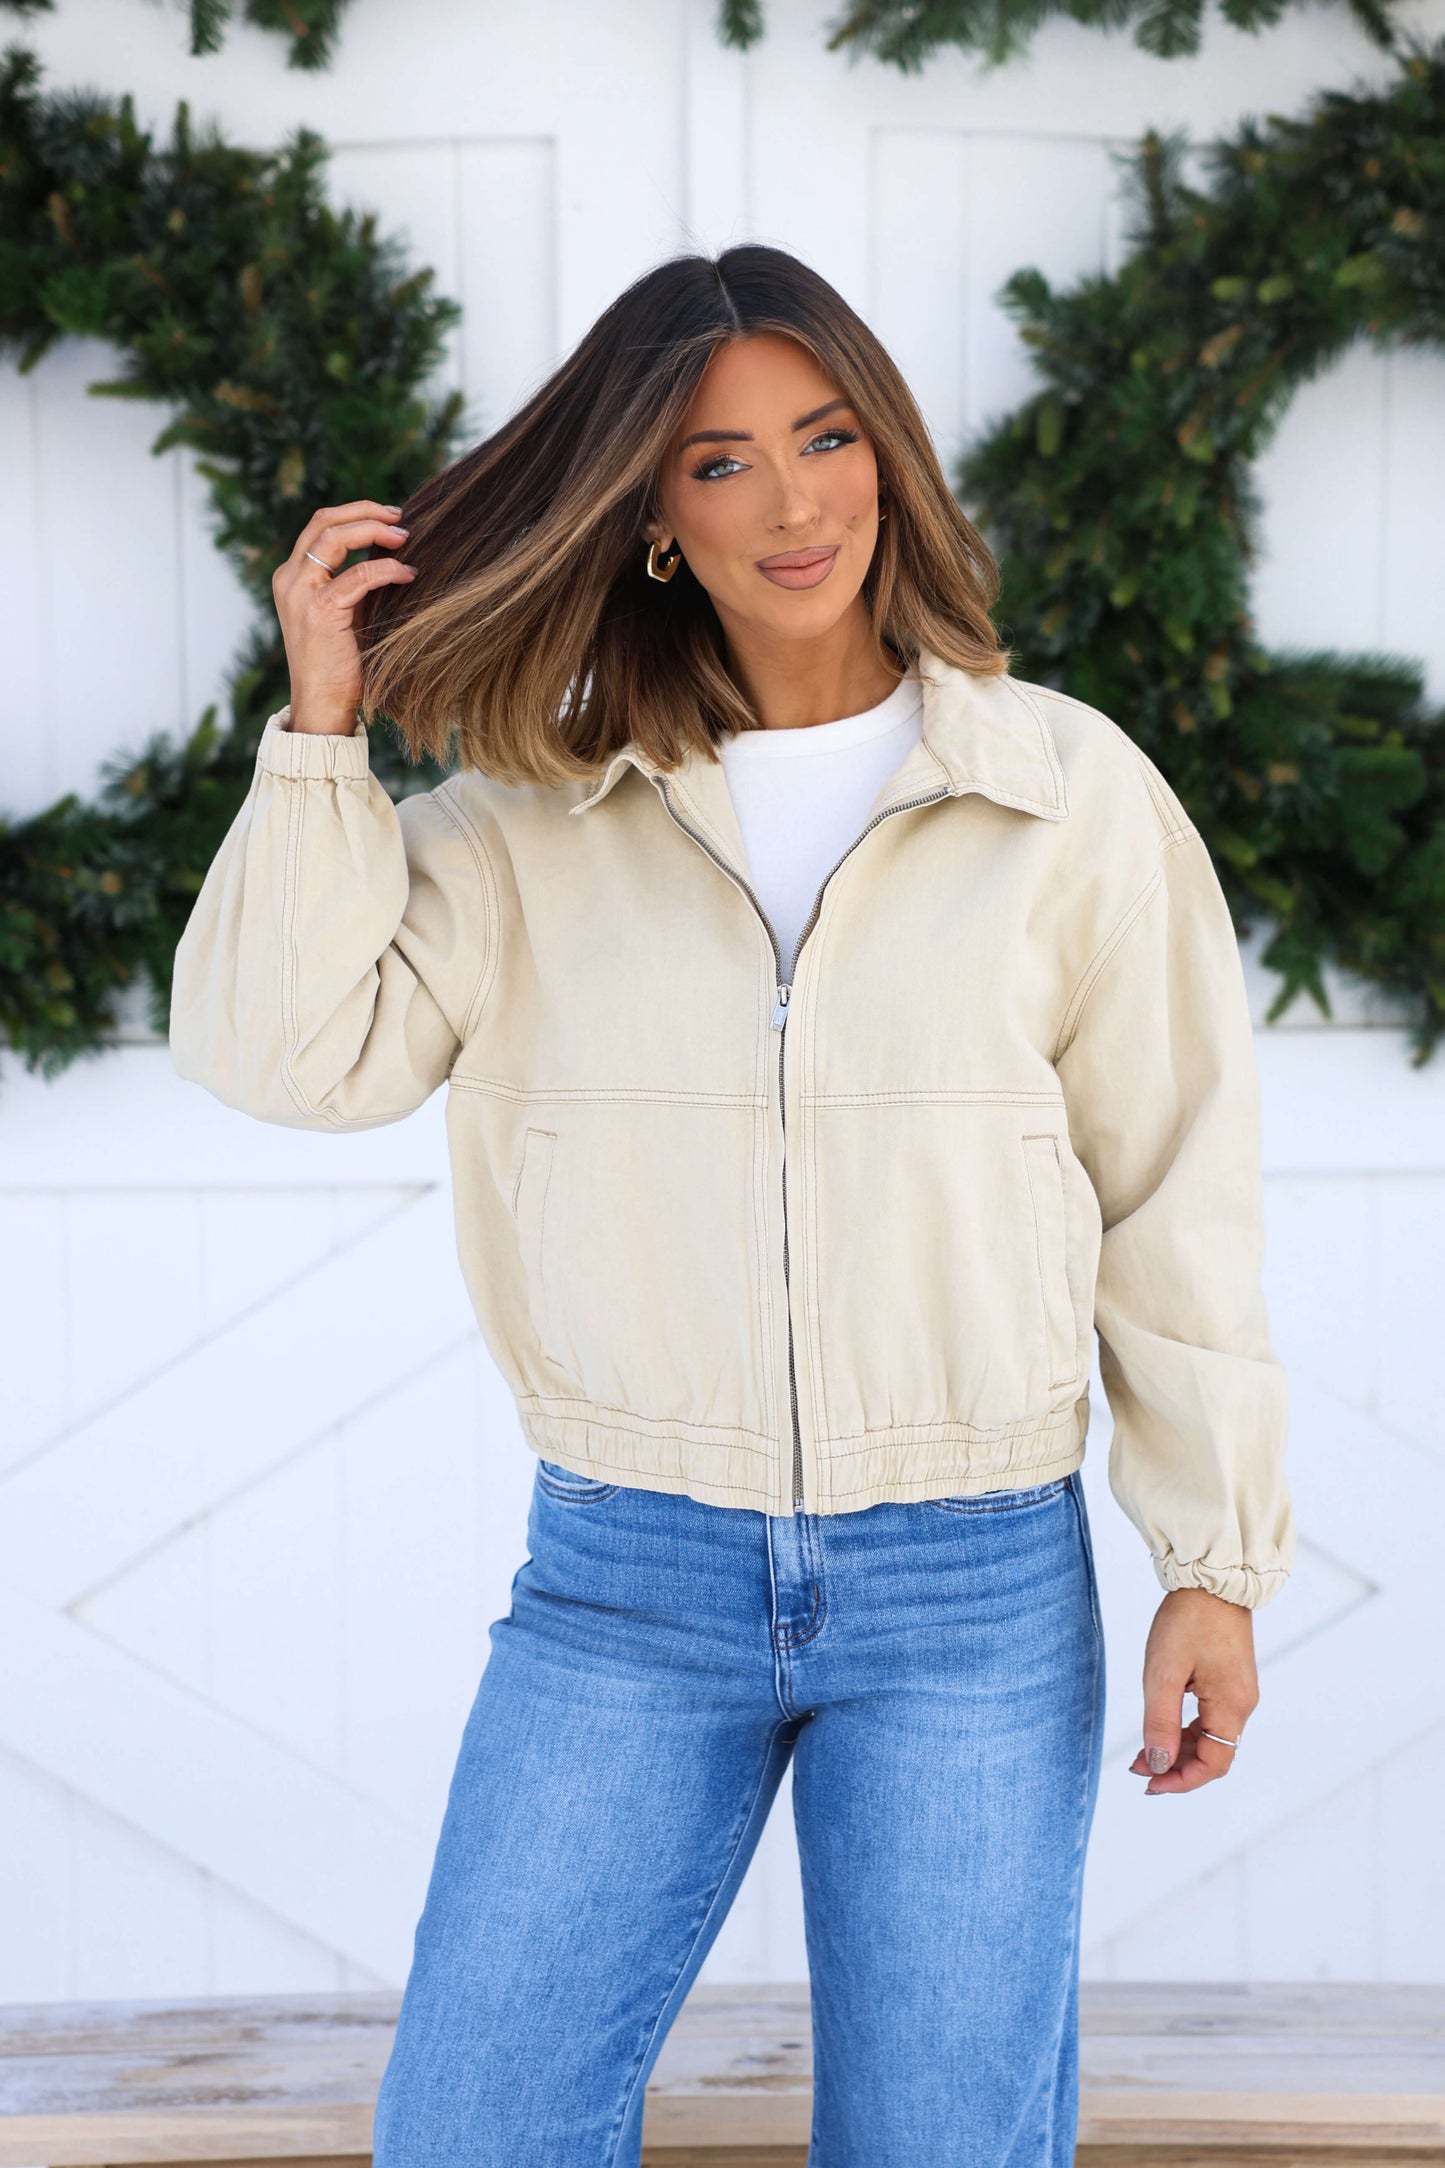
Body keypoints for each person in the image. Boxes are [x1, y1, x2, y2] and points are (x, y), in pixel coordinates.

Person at [169, 242, 1294, 2168]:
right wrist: (321, 728)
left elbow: (1172, 1188)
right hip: (626, 1575)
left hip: (968, 1583)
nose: (794, 503)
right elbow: (287, 1058)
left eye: (828, 435)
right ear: (649, 516)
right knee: (476, 2127)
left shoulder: (1063, 794)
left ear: (889, 453)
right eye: (718, 462)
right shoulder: (526, 816)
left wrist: (1213, 1557)